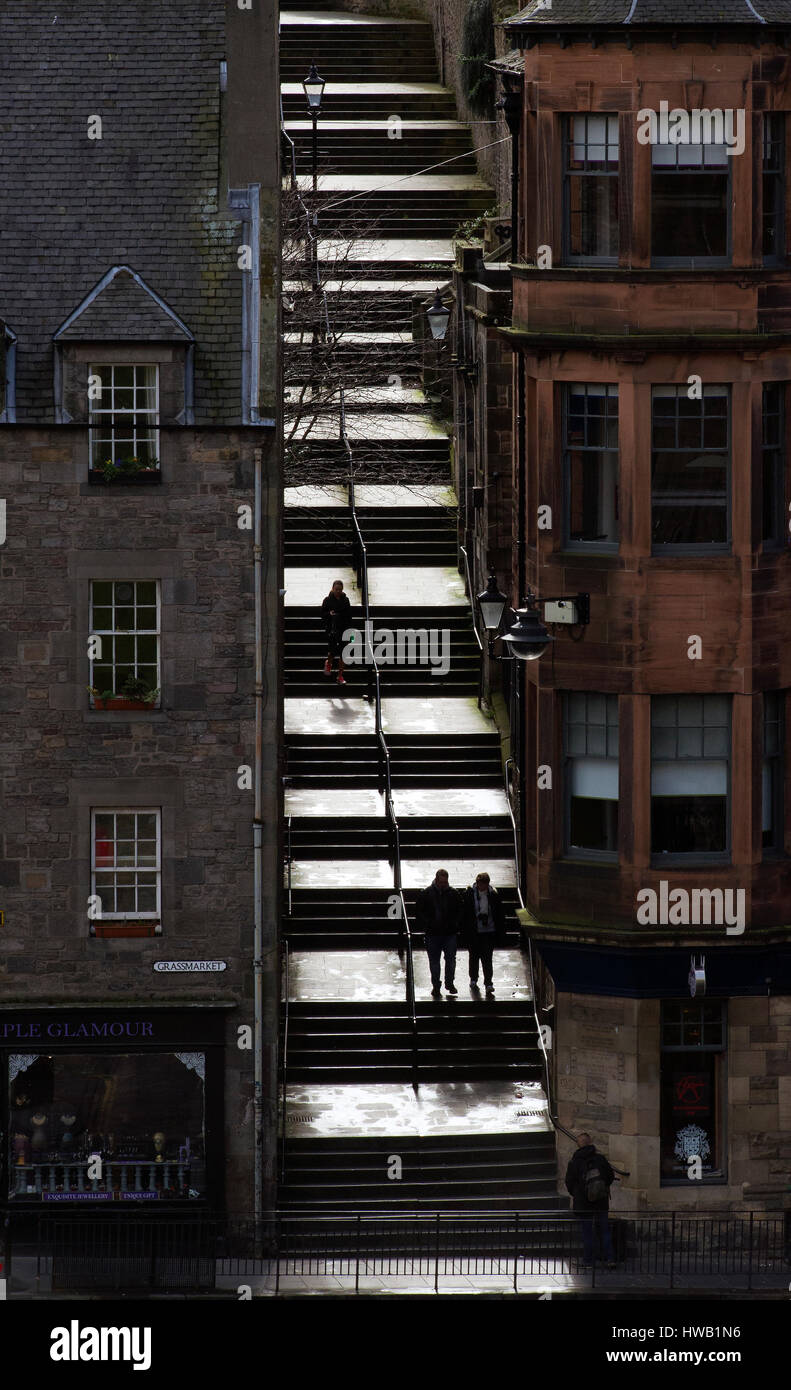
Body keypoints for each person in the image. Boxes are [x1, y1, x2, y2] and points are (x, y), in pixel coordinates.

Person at [565, 1132, 616, 1268]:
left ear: (578, 1144)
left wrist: (578, 1194)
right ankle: (610, 1259)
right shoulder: (600, 1159)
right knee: (604, 1230)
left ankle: (589, 1261)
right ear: (590, 1142)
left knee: (587, 1232)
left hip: (583, 1203)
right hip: (601, 1200)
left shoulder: (574, 1162)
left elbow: (569, 1182)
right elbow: (610, 1176)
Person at [416, 868, 463, 998]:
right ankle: (436, 985)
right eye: (441, 882)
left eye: (445, 882)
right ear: (436, 880)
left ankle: (449, 983)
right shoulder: (427, 893)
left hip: (448, 933)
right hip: (433, 933)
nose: (443, 884)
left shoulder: (453, 893)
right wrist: (428, 923)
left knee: (450, 960)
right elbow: (420, 912)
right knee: (435, 962)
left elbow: (460, 910)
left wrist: (455, 923)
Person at [462, 872, 506, 994]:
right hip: (474, 932)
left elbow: (499, 914)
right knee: (474, 957)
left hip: (489, 932)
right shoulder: (469, 894)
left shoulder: (493, 895)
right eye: (480, 884)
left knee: (487, 959)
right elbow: (465, 913)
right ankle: (473, 979)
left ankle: (488, 983)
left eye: (484, 884)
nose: (482, 887)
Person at [321, 579, 352, 686]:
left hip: (343, 629)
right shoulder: (327, 600)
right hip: (332, 630)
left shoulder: (345, 600)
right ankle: (328, 663)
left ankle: (340, 675)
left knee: (343, 654)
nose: (338, 591)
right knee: (332, 651)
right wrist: (329, 614)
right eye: (336, 589)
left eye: (340, 589)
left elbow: (349, 617)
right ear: (333, 589)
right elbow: (323, 614)